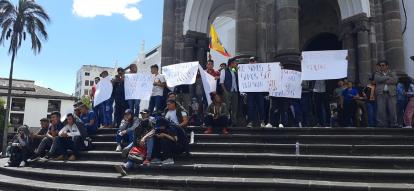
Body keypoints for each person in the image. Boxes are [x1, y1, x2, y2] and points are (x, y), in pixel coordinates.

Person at [114, 110, 154, 175]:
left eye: (144, 114)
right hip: (139, 148)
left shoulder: (151, 121)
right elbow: (135, 140)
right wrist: (128, 148)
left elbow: (153, 131)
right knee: (134, 158)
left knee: (149, 139)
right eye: (141, 114)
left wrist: (144, 138)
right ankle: (124, 167)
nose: (142, 115)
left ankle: (147, 159)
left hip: (148, 148)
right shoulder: (139, 126)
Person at [374, 61, 398, 128]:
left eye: (383, 65)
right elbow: (377, 79)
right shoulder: (377, 73)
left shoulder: (392, 73)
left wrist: (383, 79)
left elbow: (395, 80)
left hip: (391, 94)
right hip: (381, 94)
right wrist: (387, 77)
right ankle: (381, 124)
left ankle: (394, 124)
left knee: (392, 109)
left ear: (387, 66)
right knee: (381, 110)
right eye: (380, 65)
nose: (381, 67)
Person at [245, 57, 265, 128]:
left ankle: (262, 121)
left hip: (259, 91)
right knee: (250, 107)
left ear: (257, 62)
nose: (252, 62)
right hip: (250, 92)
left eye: (253, 61)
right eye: (250, 61)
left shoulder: (261, 69)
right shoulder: (245, 70)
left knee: (261, 106)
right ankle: (250, 122)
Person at [220, 59, 240, 126]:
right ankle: (226, 122)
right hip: (227, 91)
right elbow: (221, 82)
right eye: (235, 63)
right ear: (231, 63)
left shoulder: (234, 70)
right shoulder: (224, 71)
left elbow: (237, 78)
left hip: (235, 91)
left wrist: (237, 70)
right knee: (227, 107)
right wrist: (225, 91)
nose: (236, 64)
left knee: (235, 107)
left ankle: (234, 122)